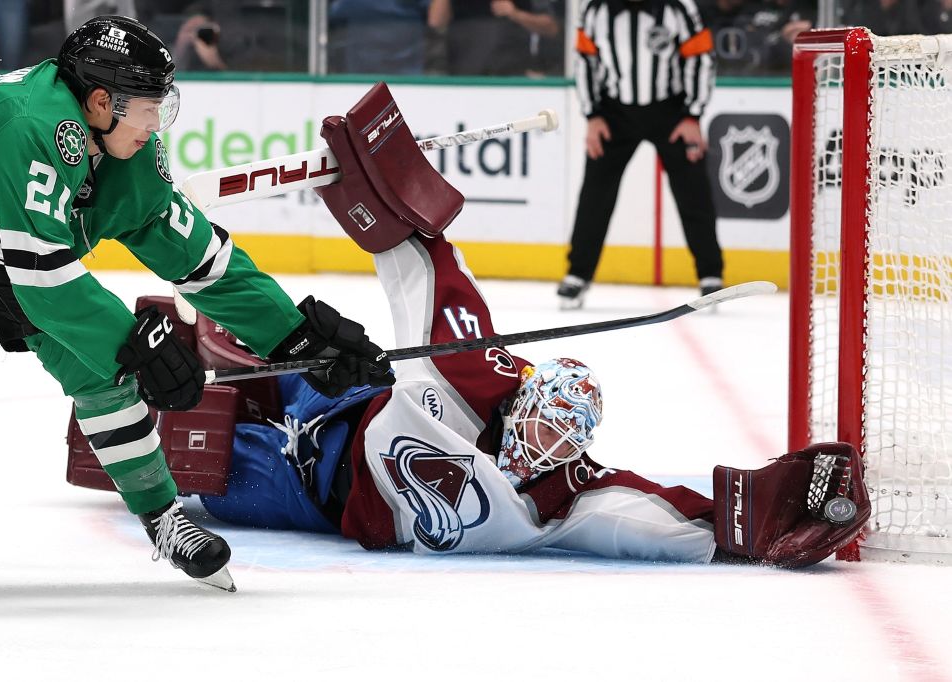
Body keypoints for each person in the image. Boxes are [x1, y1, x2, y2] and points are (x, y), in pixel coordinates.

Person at [0, 14, 392, 615]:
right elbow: (47, 284)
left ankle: (162, 515)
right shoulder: (30, 127)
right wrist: (139, 345)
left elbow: (200, 260)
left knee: (96, 369)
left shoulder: (130, 153)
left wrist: (295, 336)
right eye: (148, 109)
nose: (157, 124)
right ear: (101, 102)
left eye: (163, 107)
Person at [165, 228, 869, 565]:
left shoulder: (567, 492)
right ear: (526, 401)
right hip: (352, 404)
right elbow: (443, 296)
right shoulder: (485, 377)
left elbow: (651, 508)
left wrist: (753, 513)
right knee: (239, 352)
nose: (543, 447)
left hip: (314, 492)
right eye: (541, 426)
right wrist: (394, 213)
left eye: (563, 442)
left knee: (197, 463)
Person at [559, 0, 723, 309]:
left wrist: (692, 115)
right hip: (613, 113)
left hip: (671, 111)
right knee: (595, 194)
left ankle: (710, 274)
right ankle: (577, 274)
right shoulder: (596, 9)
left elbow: (700, 57)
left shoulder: (678, 6)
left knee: (693, 191)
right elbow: (585, 61)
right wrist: (593, 115)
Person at [428, 0, 560, 76]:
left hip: (510, 76)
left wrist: (515, 14)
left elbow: (551, 27)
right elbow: (435, 21)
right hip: (465, 75)